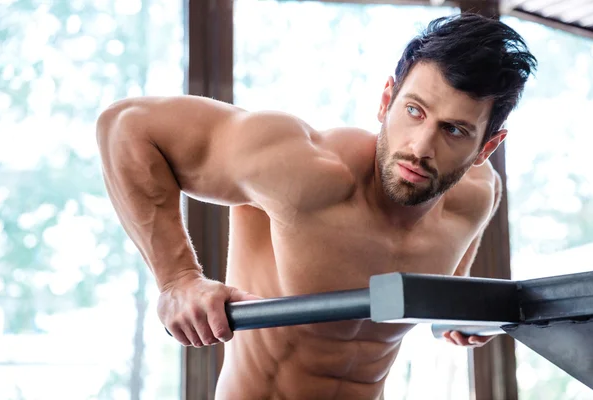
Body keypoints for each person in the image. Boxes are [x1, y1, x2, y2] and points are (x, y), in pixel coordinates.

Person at [96, 12, 536, 400]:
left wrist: (466, 318)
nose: (420, 147)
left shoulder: (476, 199)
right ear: (386, 100)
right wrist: (178, 280)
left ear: (487, 147)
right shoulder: (302, 172)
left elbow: (449, 303)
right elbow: (125, 126)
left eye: (455, 131)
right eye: (414, 111)